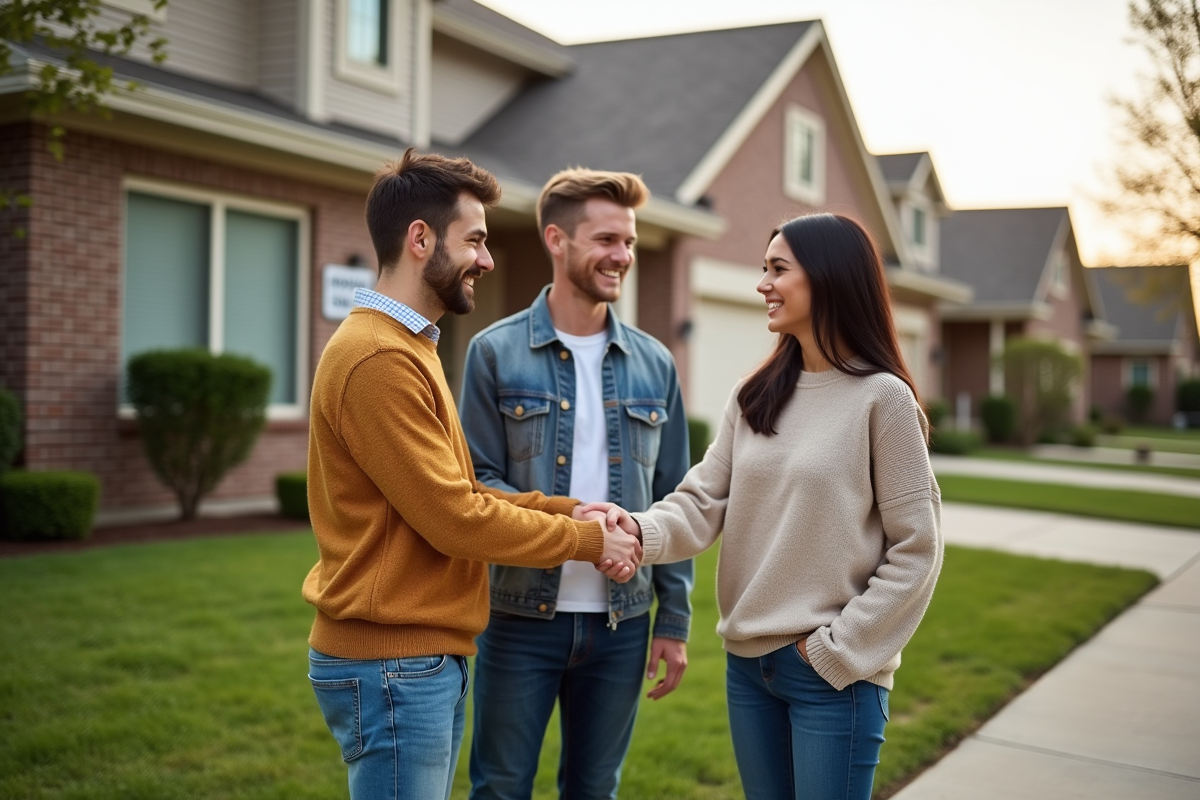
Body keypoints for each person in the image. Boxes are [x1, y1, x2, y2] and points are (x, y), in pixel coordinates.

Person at [302, 149, 642, 800]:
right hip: (392, 660)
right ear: (420, 238)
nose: (486, 260)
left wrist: (570, 513)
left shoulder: (410, 345)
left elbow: (462, 492)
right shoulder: (377, 358)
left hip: (414, 656)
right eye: (476, 241)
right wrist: (590, 543)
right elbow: (455, 520)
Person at [587, 213, 944, 800]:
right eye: (764, 269)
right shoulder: (756, 394)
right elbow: (703, 501)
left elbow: (918, 549)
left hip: (834, 676)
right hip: (749, 670)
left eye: (779, 269)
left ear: (827, 278)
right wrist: (638, 528)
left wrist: (835, 651)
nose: (763, 285)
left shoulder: (884, 399)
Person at [459, 168, 694, 800]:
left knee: (595, 789)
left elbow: (678, 499)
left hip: (623, 623)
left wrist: (672, 618)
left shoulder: (655, 363)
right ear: (556, 240)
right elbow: (475, 485)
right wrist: (575, 533)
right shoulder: (493, 353)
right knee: (501, 788)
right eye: (607, 239)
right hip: (518, 616)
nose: (623, 255)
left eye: (629, 241)